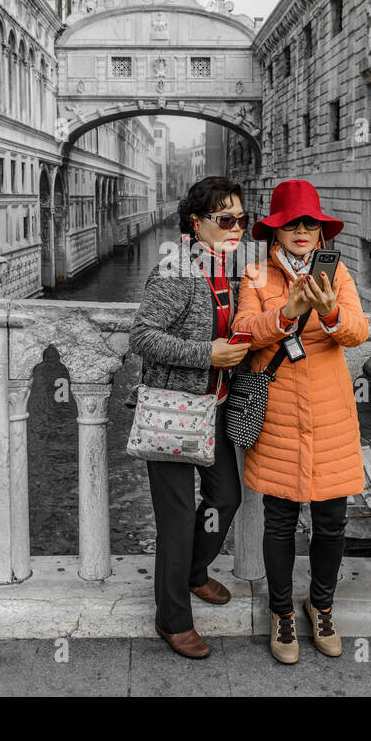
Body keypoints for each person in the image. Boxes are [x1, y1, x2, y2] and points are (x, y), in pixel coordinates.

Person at [231, 179, 369, 664]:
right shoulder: (254, 276)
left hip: (330, 414)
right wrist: (285, 314)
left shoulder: (339, 274)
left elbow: (358, 331)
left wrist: (331, 313)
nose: (302, 230)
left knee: (332, 521)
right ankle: (282, 612)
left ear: (321, 231)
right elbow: (243, 332)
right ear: (276, 230)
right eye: (292, 223)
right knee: (280, 519)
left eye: (310, 223)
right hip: (279, 413)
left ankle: (322, 604)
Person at [128, 176, 250, 659]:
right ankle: (171, 618)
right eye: (225, 219)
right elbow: (142, 335)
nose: (236, 226)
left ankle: (194, 572)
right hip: (174, 411)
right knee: (176, 519)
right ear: (196, 224)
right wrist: (207, 354)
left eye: (242, 219)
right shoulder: (176, 270)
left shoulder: (224, 270)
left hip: (213, 407)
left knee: (226, 496)